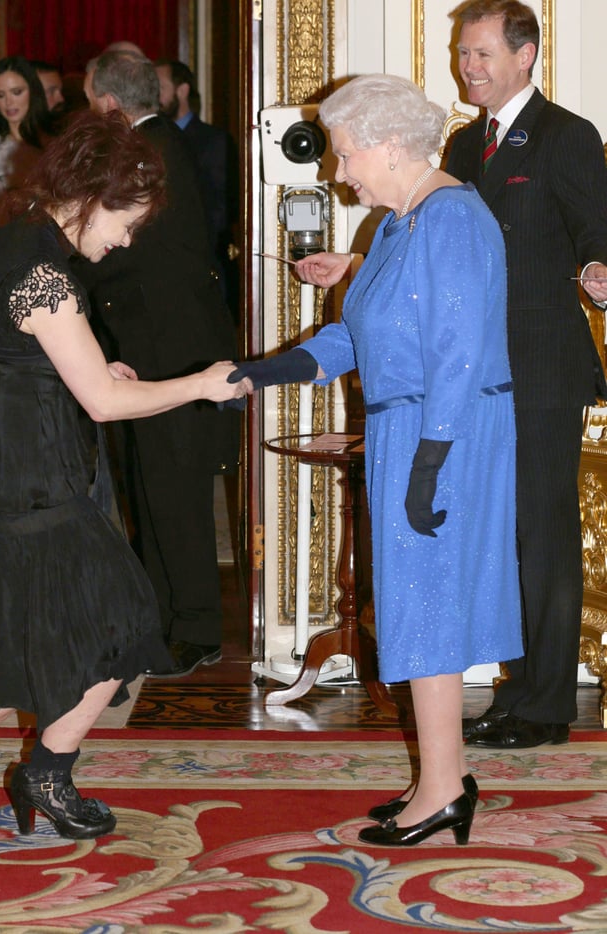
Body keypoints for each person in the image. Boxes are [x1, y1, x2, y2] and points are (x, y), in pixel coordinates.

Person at [0, 109, 243, 860]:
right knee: (121, 624)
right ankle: (42, 775)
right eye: (126, 221)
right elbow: (105, 403)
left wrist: (88, 368)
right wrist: (200, 384)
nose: (125, 239)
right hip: (19, 479)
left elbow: (13, 351)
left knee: (23, 645)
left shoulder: (15, 235)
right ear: (92, 195)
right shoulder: (45, 275)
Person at [230, 73, 523, 847]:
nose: (339, 170)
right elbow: (351, 340)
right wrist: (263, 371)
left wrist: (432, 461)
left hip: (445, 430)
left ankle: (442, 790)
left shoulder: (453, 218)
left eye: (348, 152)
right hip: (413, 431)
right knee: (418, 611)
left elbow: (459, 356)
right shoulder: (396, 226)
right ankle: (442, 781)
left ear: (392, 146)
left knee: (431, 610)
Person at [445, 0, 607, 749]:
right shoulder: (458, 146)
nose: (468, 67)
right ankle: (520, 688)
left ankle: (547, 706)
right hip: (475, 369)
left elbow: (594, 226)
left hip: (541, 368)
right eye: (463, 54)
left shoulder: (567, 135)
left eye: (480, 54)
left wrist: (597, 266)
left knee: (542, 537)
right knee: (503, 535)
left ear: (525, 55)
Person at [81, 51, 239, 678]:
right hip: (157, 340)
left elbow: (134, 251)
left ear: (111, 106)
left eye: (93, 106)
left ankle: (195, 629)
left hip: (169, 345)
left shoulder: (148, 150)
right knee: (153, 492)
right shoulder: (156, 143)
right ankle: (163, 621)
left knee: (174, 493)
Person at [154, 58, 239, 317]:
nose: (153, 95)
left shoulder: (212, 141)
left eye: (159, 87)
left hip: (202, 266)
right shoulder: (151, 139)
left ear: (182, 90)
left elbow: (221, 209)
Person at [0, 56, 56, 194]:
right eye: (0, 95)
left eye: (16, 92)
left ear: (33, 91)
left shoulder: (55, 142)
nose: (9, 102)